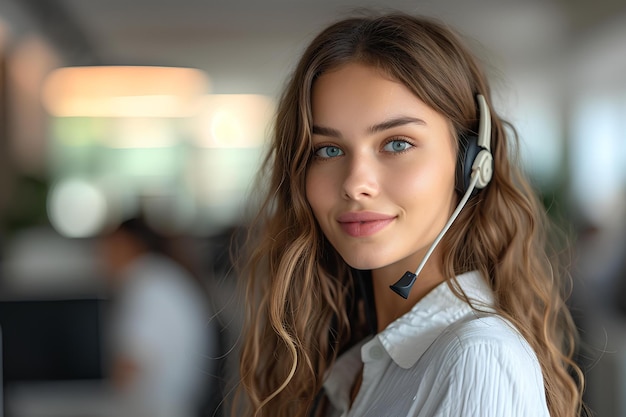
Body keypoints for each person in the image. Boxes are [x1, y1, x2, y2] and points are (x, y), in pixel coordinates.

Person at [235, 12, 586, 417]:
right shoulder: (354, 365)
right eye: (328, 149)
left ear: (471, 164)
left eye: (397, 143)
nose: (355, 183)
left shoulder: (476, 357)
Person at [99, 216, 219, 417]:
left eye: (105, 248)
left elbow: (130, 364)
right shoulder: (159, 277)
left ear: (125, 244)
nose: (101, 259)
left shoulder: (145, 285)